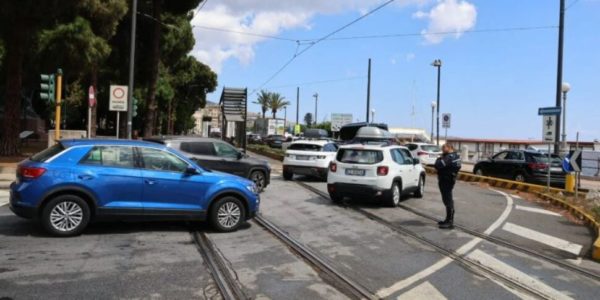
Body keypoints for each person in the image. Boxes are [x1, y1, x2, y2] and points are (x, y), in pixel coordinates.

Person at [434, 143, 461, 229]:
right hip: (449, 179)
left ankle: (450, 222)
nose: (442, 149)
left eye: (444, 148)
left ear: (449, 148)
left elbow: (438, 164)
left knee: (447, 199)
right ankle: (448, 219)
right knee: (447, 199)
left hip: (446, 180)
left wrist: (440, 159)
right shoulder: (456, 156)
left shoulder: (449, 157)